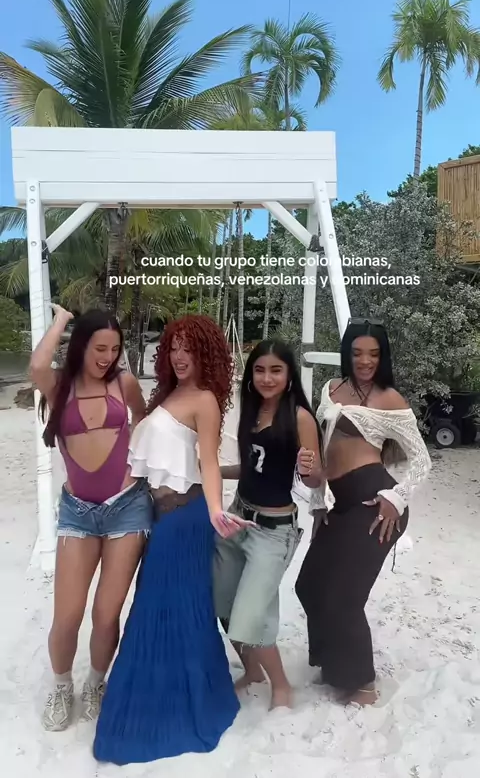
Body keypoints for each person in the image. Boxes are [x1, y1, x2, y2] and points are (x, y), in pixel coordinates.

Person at [93, 315, 253, 766]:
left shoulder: (204, 400)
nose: (180, 356)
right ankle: (159, 695)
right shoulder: (166, 394)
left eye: (189, 348)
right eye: (174, 347)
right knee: (160, 606)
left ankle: (174, 704)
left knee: (167, 608)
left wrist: (217, 509)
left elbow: (209, 462)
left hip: (187, 518)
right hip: (157, 517)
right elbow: (139, 461)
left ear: (206, 353)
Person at [295, 317, 432, 706]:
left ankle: (363, 686)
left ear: (382, 356)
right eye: (357, 353)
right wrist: (318, 504)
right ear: (347, 353)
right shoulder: (331, 388)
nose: (365, 361)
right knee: (308, 584)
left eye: (373, 354)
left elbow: (422, 461)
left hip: (376, 503)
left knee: (344, 596)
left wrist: (396, 497)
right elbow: (322, 451)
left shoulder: (390, 399)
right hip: (341, 502)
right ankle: (333, 663)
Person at [30, 305, 151, 732]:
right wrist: (62, 321)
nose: (108, 357)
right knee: (67, 615)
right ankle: (62, 686)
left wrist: (137, 467)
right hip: (77, 513)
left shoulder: (124, 382)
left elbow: (144, 420)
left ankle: (96, 683)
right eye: (100, 348)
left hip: (127, 508)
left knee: (105, 614)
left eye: (114, 349)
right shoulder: (58, 385)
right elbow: (36, 365)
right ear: (81, 345)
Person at [214, 339, 323, 711]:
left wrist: (310, 470)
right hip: (237, 516)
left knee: (251, 614)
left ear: (289, 374)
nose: (267, 378)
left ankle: (281, 686)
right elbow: (251, 468)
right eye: (260, 370)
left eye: (276, 370)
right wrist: (211, 471)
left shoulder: (300, 417)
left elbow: (315, 478)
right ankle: (253, 672)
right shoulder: (253, 409)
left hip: (274, 532)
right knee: (223, 602)